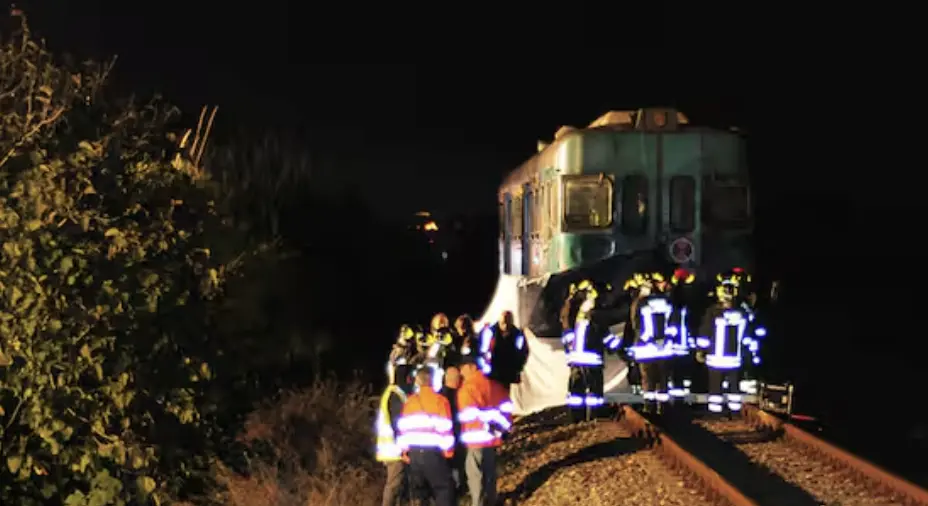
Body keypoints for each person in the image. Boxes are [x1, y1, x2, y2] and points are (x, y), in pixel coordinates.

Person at [695, 268, 762, 415]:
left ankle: (716, 411)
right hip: (734, 359)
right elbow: (748, 335)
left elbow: (705, 333)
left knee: (715, 387)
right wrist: (750, 354)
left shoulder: (712, 312)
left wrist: (700, 351)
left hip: (716, 360)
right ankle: (734, 411)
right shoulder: (742, 312)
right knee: (734, 387)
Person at [560, 280, 621, 420]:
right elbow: (604, 336)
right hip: (591, 360)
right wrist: (620, 347)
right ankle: (594, 417)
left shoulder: (579, 315)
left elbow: (567, 334)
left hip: (576, 360)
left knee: (576, 392)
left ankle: (576, 419)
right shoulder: (596, 315)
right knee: (594, 392)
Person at [396, 367, 456, 506]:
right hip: (434, 454)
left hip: (414, 455)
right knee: (443, 490)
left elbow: (403, 429)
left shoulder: (410, 402)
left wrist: (404, 451)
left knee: (419, 495)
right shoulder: (440, 401)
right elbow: (446, 429)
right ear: (433, 381)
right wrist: (448, 452)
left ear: (417, 381)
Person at [457, 355, 511, 506]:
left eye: (463, 368)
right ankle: (492, 501)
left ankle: (478, 503)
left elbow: (468, 414)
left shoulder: (467, 389)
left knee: (475, 476)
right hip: (492, 438)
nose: (461, 372)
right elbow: (506, 409)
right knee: (490, 473)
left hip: (474, 438)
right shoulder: (495, 385)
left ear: (472, 367)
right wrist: (500, 429)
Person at [623, 272, 676, 414]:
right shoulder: (666, 302)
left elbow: (635, 325)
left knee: (648, 380)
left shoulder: (639, 303)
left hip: (646, 349)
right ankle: (663, 407)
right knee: (663, 379)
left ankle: (649, 407)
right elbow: (673, 324)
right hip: (664, 349)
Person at [375, 363, 409, 506]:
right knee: (393, 485)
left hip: (391, 449)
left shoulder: (393, 392)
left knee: (397, 486)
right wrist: (403, 449)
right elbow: (397, 423)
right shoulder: (396, 395)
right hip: (394, 450)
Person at [479, 311, 529, 389]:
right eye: (503, 322)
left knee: (504, 397)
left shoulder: (517, 335)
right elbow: (482, 351)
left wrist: (517, 367)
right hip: (493, 372)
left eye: (508, 323)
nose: (505, 325)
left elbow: (523, 352)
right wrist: (485, 365)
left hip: (508, 373)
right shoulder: (490, 333)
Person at [439, 366, 467, 496]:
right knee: (457, 466)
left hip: (441, 440)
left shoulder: (438, 396)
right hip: (456, 436)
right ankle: (458, 491)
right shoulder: (460, 395)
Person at [422, 313, 455, 391]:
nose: (440, 333)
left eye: (444, 328)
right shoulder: (429, 344)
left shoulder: (451, 343)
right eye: (437, 330)